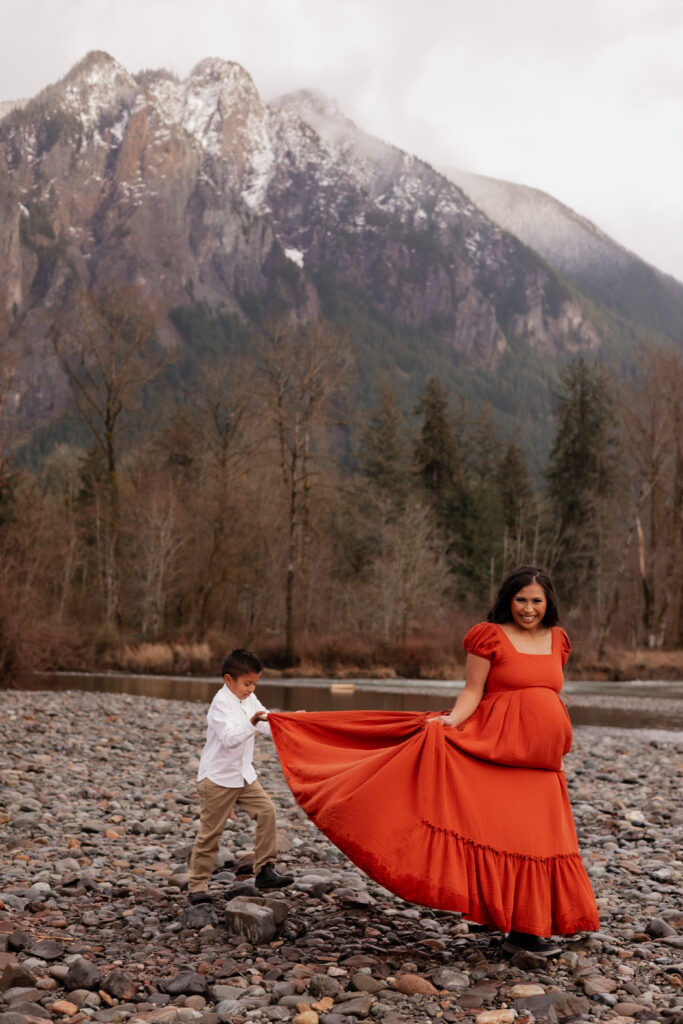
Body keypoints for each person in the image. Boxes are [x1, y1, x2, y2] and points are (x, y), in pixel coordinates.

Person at [267, 565, 599, 955]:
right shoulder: (489, 636)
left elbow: (544, 686)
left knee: (542, 838)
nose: (528, 608)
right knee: (502, 833)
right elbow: (473, 691)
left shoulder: (558, 639)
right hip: (493, 749)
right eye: (521, 600)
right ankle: (522, 932)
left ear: (549, 603)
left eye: (536, 601)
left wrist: (552, 706)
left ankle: (515, 920)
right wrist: (452, 721)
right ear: (509, 601)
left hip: (542, 763)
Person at [187, 648, 294, 903]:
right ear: (228, 680)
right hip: (217, 780)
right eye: (247, 683)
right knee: (210, 834)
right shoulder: (220, 704)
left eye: (255, 683)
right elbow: (229, 739)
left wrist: (290, 723)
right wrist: (253, 722)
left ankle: (265, 871)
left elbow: (266, 724)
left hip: (244, 777)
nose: (251, 689)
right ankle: (197, 887)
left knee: (267, 811)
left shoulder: (250, 700)